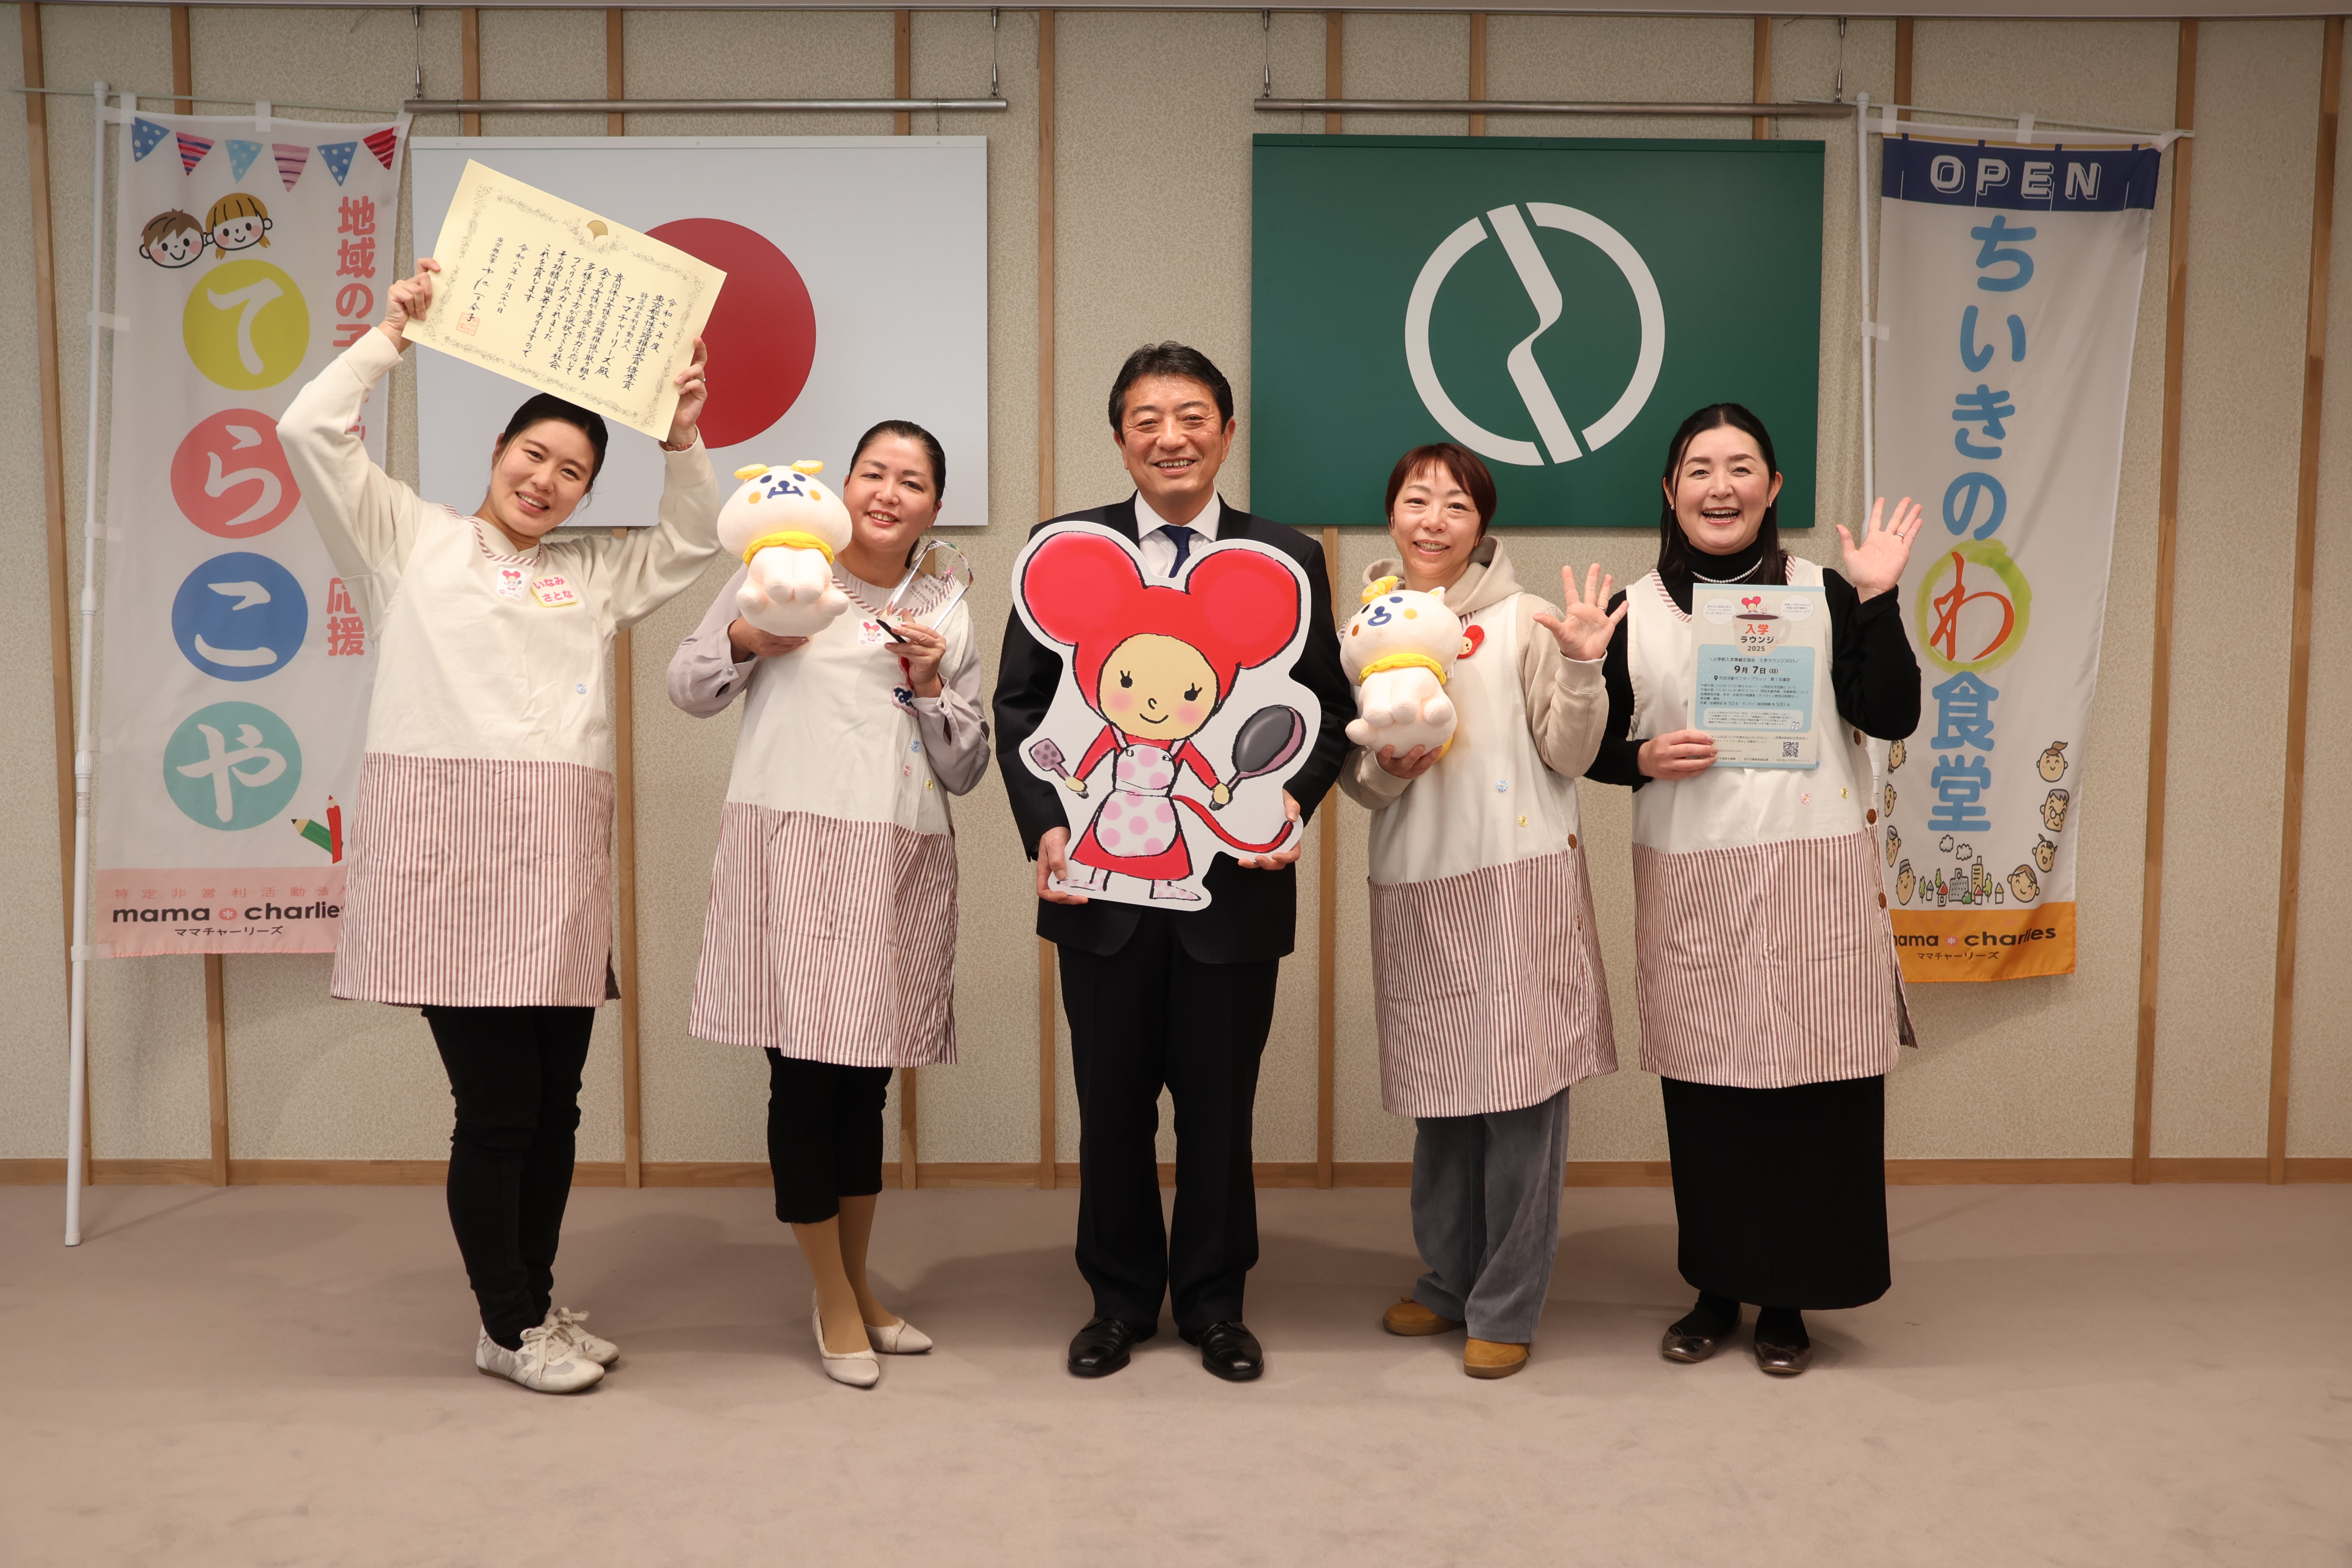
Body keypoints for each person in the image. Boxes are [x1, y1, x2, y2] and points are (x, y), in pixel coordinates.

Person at [279, 258, 718, 1395]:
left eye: (573, 471)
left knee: (558, 1106)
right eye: (534, 455)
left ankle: (532, 1304)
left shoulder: (593, 572)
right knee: (498, 1108)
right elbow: (308, 429)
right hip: (444, 859)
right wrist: (392, 337)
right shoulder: (407, 537)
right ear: (496, 452)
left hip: (557, 864)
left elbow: (697, 537)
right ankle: (509, 1325)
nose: (547, 479)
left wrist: (680, 437)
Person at [993, 343, 1354, 1382]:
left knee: (1218, 1111)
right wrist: (1044, 826)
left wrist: (1287, 802)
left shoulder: (1284, 558)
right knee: (1110, 1107)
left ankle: (1213, 1303)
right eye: (1147, 419)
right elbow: (1021, 705)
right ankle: (1117, 1301)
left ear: (1227, 433)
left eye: (1192, 416)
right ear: (1119, 439)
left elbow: (1326, 707)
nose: (1171, 437)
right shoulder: (1066, 549)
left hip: (1232, 894)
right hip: (1097, 886)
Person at [1583, 403, 1922, 1377]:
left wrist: (1880, 596)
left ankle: (1788, 1301)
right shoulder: (1634, 611)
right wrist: (1642, 756)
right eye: (1699, 469)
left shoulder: (1828, 591)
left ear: (1773, 488)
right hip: (1694, 880)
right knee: (1711, 1099)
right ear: (1670, 491)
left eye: (1741, 467)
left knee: (1815, 1096)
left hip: (1814, 873)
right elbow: (1589, 748)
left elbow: (1891, 712)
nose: (1720, 486)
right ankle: (1715, 1288)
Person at [666, 421, 984, 1390]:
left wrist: (932, 682)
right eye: (874, 473)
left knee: (866, 1086)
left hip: (896, 855)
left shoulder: (948, 603)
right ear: (843, 487)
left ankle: (856, 1283)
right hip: (795, 848)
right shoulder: (782, 567)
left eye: (913, 481)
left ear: (936, 504)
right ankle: (833, 1296)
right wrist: (744, 638)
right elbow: (688, 686)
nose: (890, 493)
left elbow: (968, 764)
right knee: (806, 1080)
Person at [1336, 443, 1622, 1380]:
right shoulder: (1365, 628)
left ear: (1481, 523)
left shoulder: (1526, 618)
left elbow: (1572, 753)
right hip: (1418, 882)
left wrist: (1582, 663)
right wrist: (1388, 766)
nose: (1433, 520)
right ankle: (1450, 1278)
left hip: (1517, 878)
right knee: (1442, 1100)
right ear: (1392, 514)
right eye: (1416, 500)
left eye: (1455, 504)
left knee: (1521, 1101)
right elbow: (1358, 783)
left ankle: (1506, 1302)